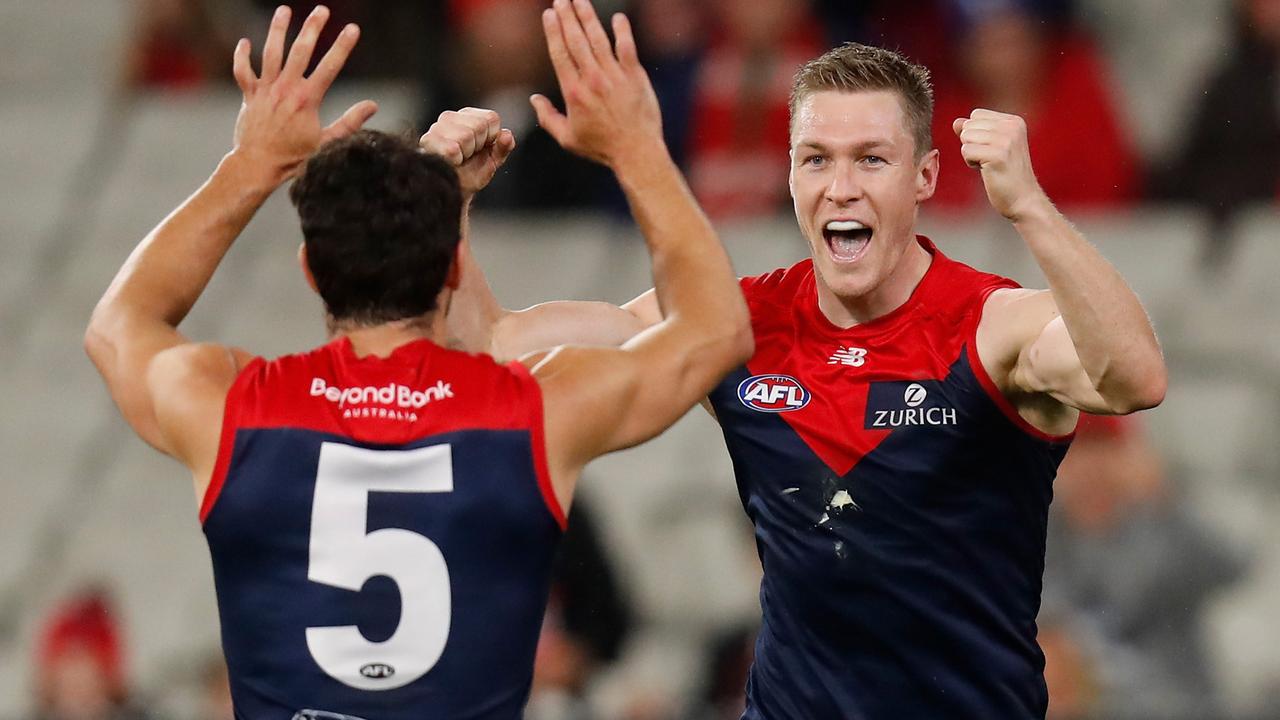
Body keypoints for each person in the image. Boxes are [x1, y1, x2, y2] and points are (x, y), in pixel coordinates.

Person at [434, 32, 1167, 719]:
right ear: (790, 176)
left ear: (925, 178)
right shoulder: (734, 323)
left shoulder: (989, 323)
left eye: (871, 160)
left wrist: (1029, 207)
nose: (841, 187)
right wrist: (446, 206)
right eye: (816, 159)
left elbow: (1135, 379)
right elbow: (492, 348)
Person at [84, 2, 752, 718]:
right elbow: (716, 329)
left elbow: (119, 323)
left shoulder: (231, 409)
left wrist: (252, 164)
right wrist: (637, 149)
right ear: (455, 271)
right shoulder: (532, 411)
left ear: (310, 269)